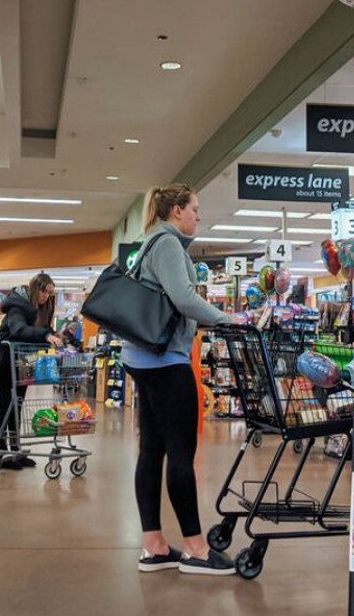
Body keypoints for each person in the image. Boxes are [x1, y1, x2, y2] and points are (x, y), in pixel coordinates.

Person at [125, 184, 238, 576]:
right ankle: (194, 547)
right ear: (175, 210)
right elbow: (183, 298)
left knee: (152, 450)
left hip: (142, 358)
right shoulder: (169, 244)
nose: (198, 216)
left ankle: (154, 546)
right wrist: (227, 318)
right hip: (165, 361)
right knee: (180, 451)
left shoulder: (149, 243)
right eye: (194, 209)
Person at [0, 274, 64, 471]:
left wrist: (55, 336)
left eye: (50, 292)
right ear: (35, 288)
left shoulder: (42, 309)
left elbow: (39, 332)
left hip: (22, 360)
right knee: (6, 404)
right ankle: (2, 451)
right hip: (5, 359)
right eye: (44, 290)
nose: (46, 295)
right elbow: (18, 330)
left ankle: (16, 451)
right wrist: (44, 335)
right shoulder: (17, 305)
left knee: (17, 404)